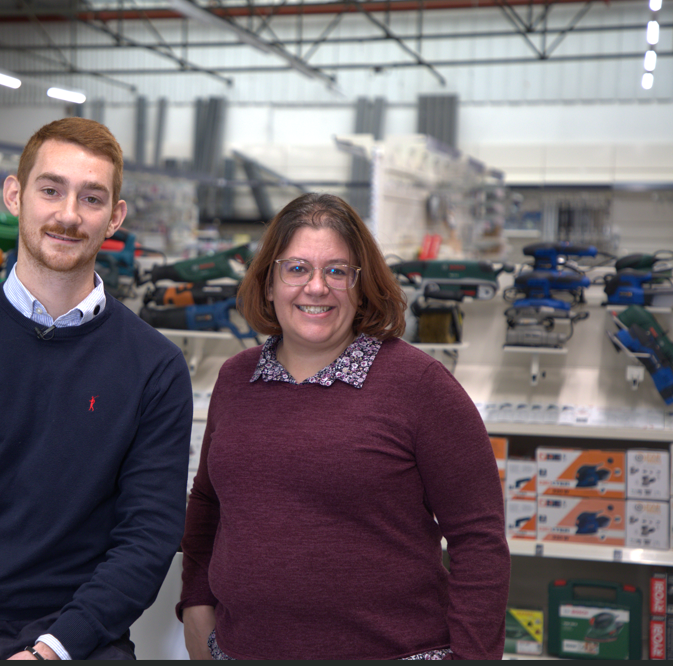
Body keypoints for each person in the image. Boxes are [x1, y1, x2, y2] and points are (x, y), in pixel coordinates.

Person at [0, 117, 193, 661]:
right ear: (15, 195)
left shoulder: (155, 368)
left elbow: (147, 537)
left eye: (91, 198)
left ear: (114, 216)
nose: (68, 215)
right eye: (51, 190)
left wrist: (52, 649)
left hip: (78, 638)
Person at [177, 192, 510, 660]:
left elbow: (479, 540)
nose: (316, 287)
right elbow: (208, 505)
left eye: (337, 271)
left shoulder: (419, 385)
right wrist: (194, 602)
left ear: (362, 285)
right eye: (296, 268)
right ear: (269, 284)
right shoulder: (237, 378)